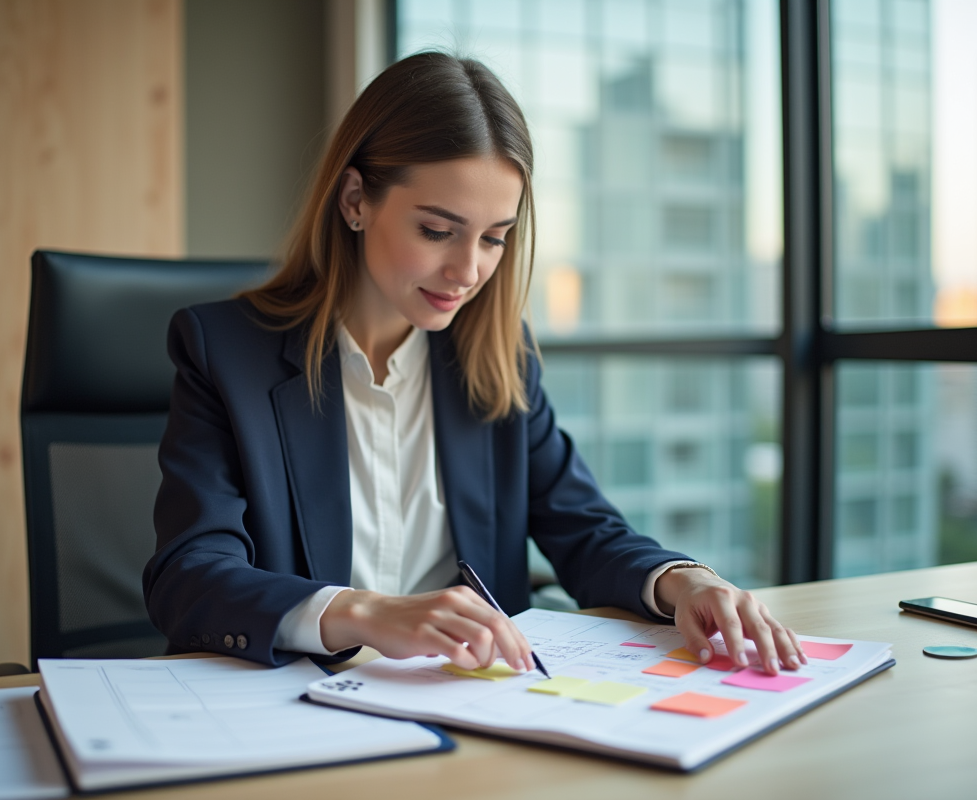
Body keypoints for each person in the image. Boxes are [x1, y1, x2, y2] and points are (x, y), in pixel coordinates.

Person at [144, 52, 806, 677]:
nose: (468, 272)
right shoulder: (225, 352)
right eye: (437, 230)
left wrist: (685, 579)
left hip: (469, 711)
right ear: (354, 200)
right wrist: (366, 613)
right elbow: (190, 575)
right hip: (293, 712)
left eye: (494, 238)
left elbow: (586, 530)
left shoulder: (497, 359)